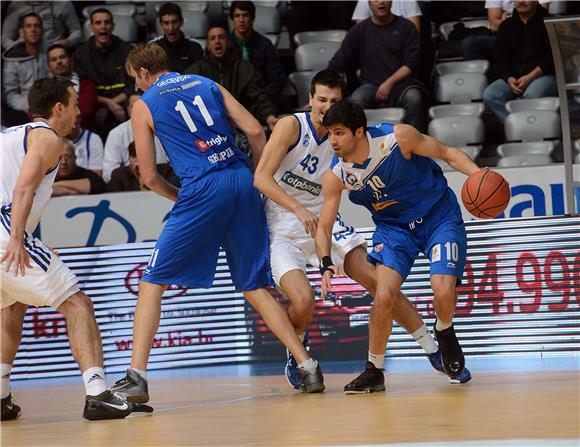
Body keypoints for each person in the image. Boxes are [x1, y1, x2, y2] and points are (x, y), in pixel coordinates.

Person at [110, 43, 325, 404]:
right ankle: (306, 364)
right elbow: (256, 130)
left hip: (201, 187)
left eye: (136, 81)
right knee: (253, 285)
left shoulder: (143, 104)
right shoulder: (207, 82)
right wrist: (259, 176)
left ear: (144, 74)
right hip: (241, 180)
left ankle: (136, 377)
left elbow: (147, 176)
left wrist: (183, 198)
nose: (137, 87)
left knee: (151, 281)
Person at [254, 69, 444, 389]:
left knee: (378, 281)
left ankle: (433, 348)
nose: (327, 106)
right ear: (310, 99)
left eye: (335, 101)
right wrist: (299, 209)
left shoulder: (343, 134)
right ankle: (297, 350)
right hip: (282, 224)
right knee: (303, 300)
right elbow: (260, 178)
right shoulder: (291, 126)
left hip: (322, 221)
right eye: (322, 100)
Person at [0, 77, 149, 420]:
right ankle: (97, 393)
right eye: (74, 103)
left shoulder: (11, 135)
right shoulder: (48, 138)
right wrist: (19, 237)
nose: (79, 111)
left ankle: (2, 395)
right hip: (7, 231)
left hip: (7, 230)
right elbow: (22, 190)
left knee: (11, 306)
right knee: (77, 303)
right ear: (58, 108)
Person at [315, 100, 477, 393]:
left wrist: (478, 175)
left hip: (438, 216)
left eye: (339, 133)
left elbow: (447, 153)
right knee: (384, 294)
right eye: (329, 134)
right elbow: (324, 225)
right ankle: (374, 370)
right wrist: (325, 261)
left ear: (359, 132)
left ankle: (444, 329)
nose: (333, 141)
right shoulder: (337, 175)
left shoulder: (398, 138)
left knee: (442, 288)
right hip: (394, 229)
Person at [328, 0, 428, 133]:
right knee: (355, 102)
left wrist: (389, 83)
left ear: (391, 3)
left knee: (415, 98)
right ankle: (360, 146)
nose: (380, 2)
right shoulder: (359, 30)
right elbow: (338, 62)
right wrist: (319, 89)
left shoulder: (406, 26)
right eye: (375, 0)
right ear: (369, 4)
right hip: (370, 85)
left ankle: (417, 144)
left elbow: (412, 63)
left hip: (402, 84)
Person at [185, 25, 279, 132]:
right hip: (208, 130)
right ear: (208, 46)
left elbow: (258, 97)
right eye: (212, 38)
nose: (217, 41)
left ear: (229, 43)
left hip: (240, 129)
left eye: (221, 37)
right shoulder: (196, 71)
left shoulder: (244, 68)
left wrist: (269, 116)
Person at [482, 0, 557, 123]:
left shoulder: (550, 22)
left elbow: (553, 58)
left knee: (531, 95)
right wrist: (509, 78)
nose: (521, 1)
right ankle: (517, 126)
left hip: (545, 75)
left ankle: (528, 127)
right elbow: (500, 59)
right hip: (515, 76)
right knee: (491, 95)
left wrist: (530, 77)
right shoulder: (506, 25)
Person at [73, 8, 135, 136]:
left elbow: (132, 85)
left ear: (113, 26)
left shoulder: (126, 50)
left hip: (124, 103)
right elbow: (82, 89)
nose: (103, 26)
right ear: (91, 27)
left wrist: (112, 105)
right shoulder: (80, 54)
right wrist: (108, 104)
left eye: (107, 22)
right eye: (98, 23)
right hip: (95, 105)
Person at [102, 92, 168, 183]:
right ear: (128, 110)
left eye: (144, 106)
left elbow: (176, 165)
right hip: (129, 187)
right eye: (134, 106)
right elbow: (108, 173)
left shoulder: (166, 131)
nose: (139, 110)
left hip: (163, 180)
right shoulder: (116, 134)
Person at [229, 1, 286, 97]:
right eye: (237, 16)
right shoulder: (226, 45)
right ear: (232, 20)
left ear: (252, 18)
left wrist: (261, 97)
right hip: (234, 99)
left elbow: (276, 78)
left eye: (245, 15)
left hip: (261, 97)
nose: (241, 20)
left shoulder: (265, 44)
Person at [2, 12, 48, 126]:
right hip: (23, 109)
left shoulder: (51, 53)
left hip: (49, 104)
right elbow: (10, 94)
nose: (33, 30)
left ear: (43, 31)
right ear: (22, 32)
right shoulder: (13, 57)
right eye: (28, 26)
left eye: (37, 26)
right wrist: (29, 107)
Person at [47, 44, 97, 129]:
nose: (59, 62)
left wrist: (53, 116)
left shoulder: (87, 85)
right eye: (53, 59)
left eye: (62, 57)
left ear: (70, 60)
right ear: (48, 66)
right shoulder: (41, 88)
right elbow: (35, 114)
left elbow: (86, 112)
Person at [1, 1, 81, 50]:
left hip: (54, 51)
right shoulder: (16, 5)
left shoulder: (64, 3)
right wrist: (15, 49)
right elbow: (6, 38)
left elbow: (76, 31)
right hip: (25, 50)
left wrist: (66, 42)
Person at [149, 2, 203, 73]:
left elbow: (197, 78)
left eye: (174, 22)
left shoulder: (194, 47)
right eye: (166, 23)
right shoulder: (153, 47)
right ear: (161, 24)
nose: (170, 28)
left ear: (181, 22)